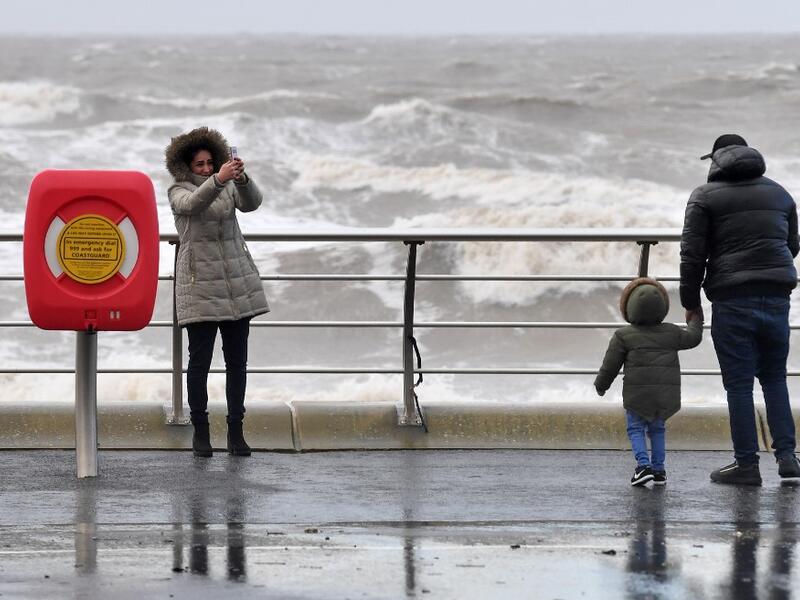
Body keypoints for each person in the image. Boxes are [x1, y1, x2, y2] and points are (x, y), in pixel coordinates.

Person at [680, 133, 800, 485]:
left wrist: (690, 302)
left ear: (716, 160)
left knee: (739, 384)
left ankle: (746, 465)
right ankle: (788, 458)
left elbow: (692, 255)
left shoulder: (704, 197)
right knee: (775, 377)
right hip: (777, 296)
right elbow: (791, 244)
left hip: (732, 299)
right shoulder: (780, 193)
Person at [165, 127, 270, 458]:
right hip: (199, 285)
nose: (207, 168)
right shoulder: (177, 191)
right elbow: (195, 205)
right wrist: (220, 180)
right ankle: (201, 432)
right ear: (187, 167)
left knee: (237, 362)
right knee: (199, 364)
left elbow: (252, 204)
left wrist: (241, 177)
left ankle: (236, 432)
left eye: (211, 162)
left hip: (236, 283)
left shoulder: (226, 186)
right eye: (200, 165)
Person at [595, 277, 703, 486]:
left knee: (635, 428)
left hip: (637, 397)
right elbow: (693, 338)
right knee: (657, 429)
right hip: (664, 396)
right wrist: (696, 318)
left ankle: (643, 467)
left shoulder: (623, 336)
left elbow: (610, 366)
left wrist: (601, 386)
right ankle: (659, 470)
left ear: (628, 307)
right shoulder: (671, 332)